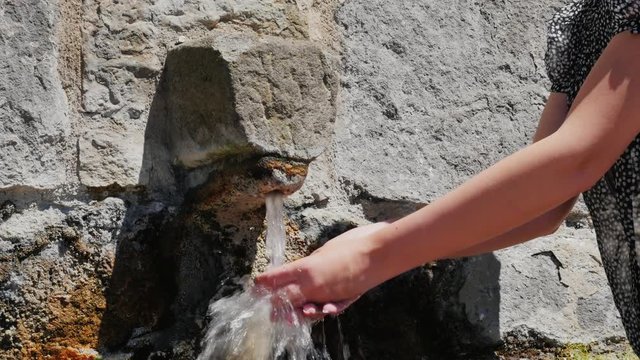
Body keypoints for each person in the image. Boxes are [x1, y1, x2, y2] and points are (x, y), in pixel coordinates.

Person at [255, 0, 640, 354]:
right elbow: (544, 207)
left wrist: (373, 257)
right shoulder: (586, 21)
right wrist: (382, 242)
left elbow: (576, 160)